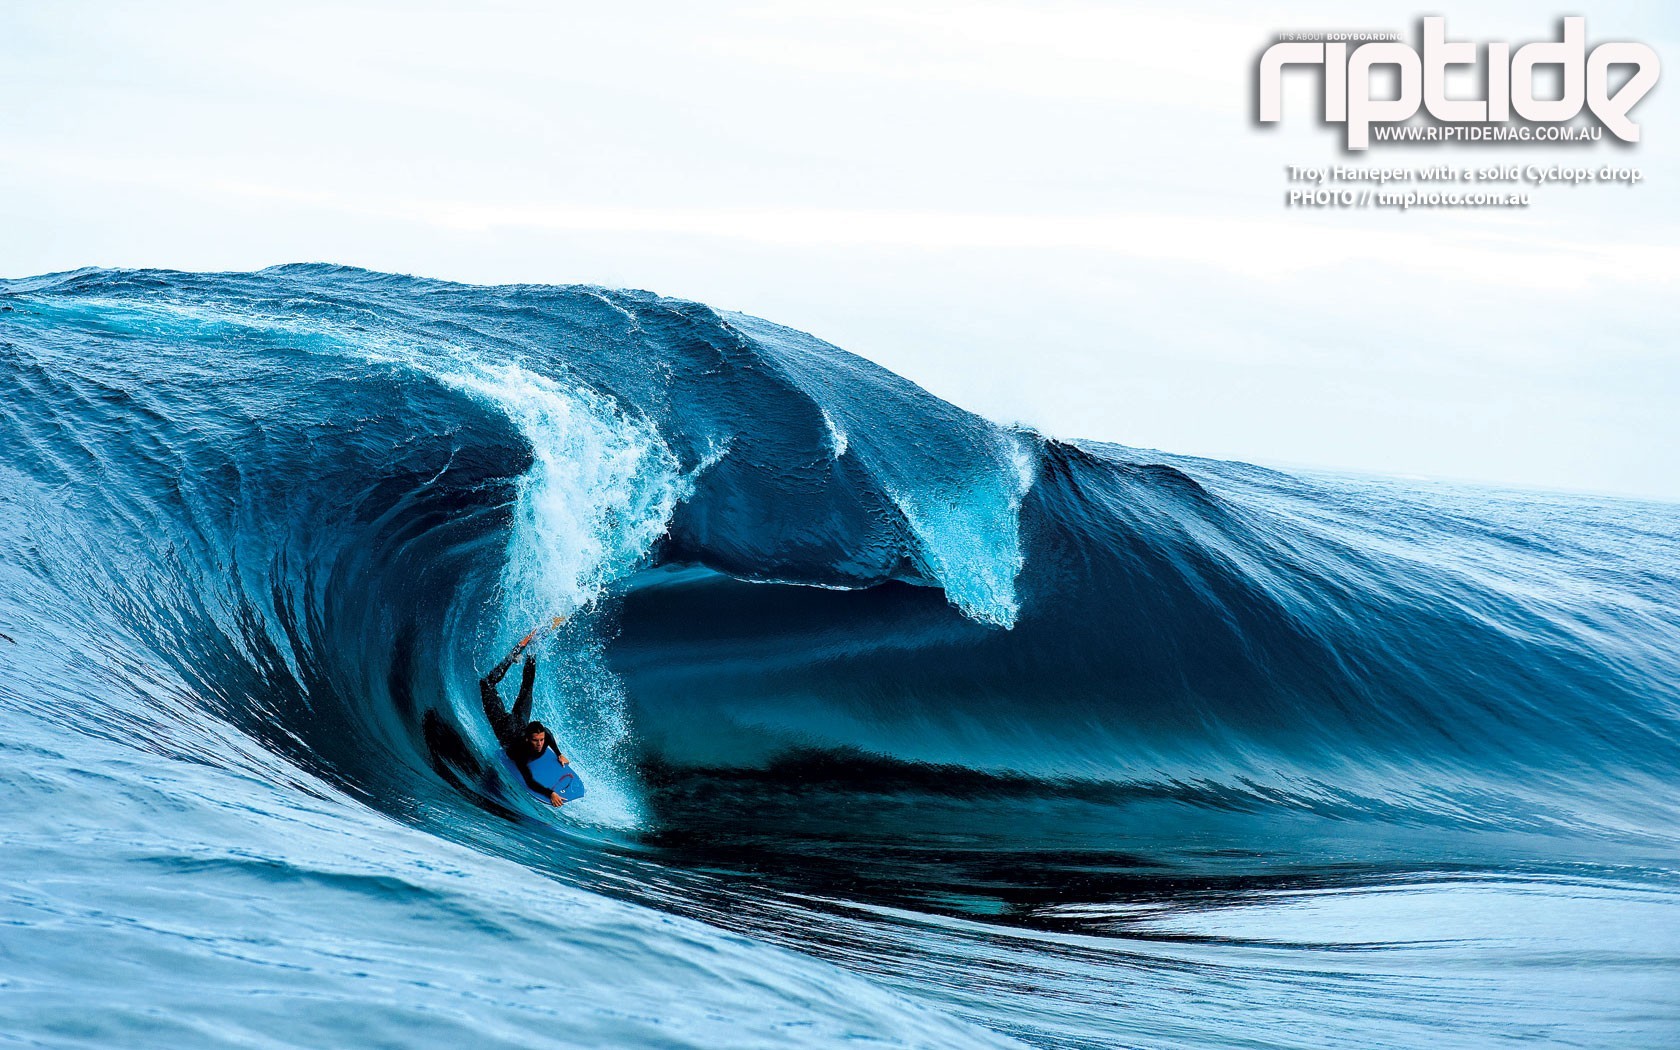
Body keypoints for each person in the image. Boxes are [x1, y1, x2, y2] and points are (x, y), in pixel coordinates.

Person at [480, 628, 571, 807]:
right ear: (528, 739)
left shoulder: (543, 737)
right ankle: (515, 652)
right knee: (486, 684)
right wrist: (550, 793)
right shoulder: (520, 753)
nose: (539, 744)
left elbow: (548, 734)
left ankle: (532, 649)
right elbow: (529, 781)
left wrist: (559, 753)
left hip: (520, 723)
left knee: (527, 687)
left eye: (540, 740)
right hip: (504, 726)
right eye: (535, 741)